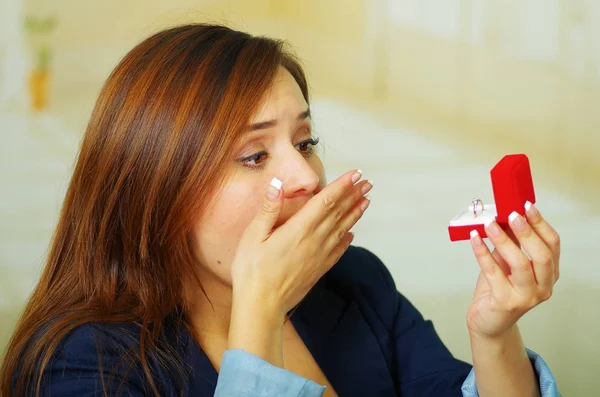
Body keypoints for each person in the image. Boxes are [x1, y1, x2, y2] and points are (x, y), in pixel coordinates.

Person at [0, 24, 561, 397]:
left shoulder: (354, 282)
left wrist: (493, 335)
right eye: (254, 155)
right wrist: (259, 312)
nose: (304, 177)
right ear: (156, 189)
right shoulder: (81, 366)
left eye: (306, 141)